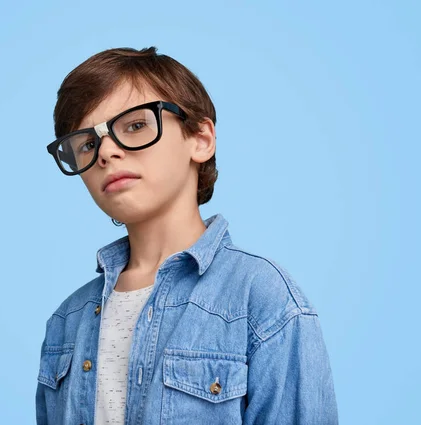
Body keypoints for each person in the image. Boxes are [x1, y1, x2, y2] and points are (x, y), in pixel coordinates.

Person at [36, 46, 339, 425]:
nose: (106, 153)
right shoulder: (68, 320)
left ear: (200, 138)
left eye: (134, 125)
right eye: (87, 143)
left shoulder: (263, 300)